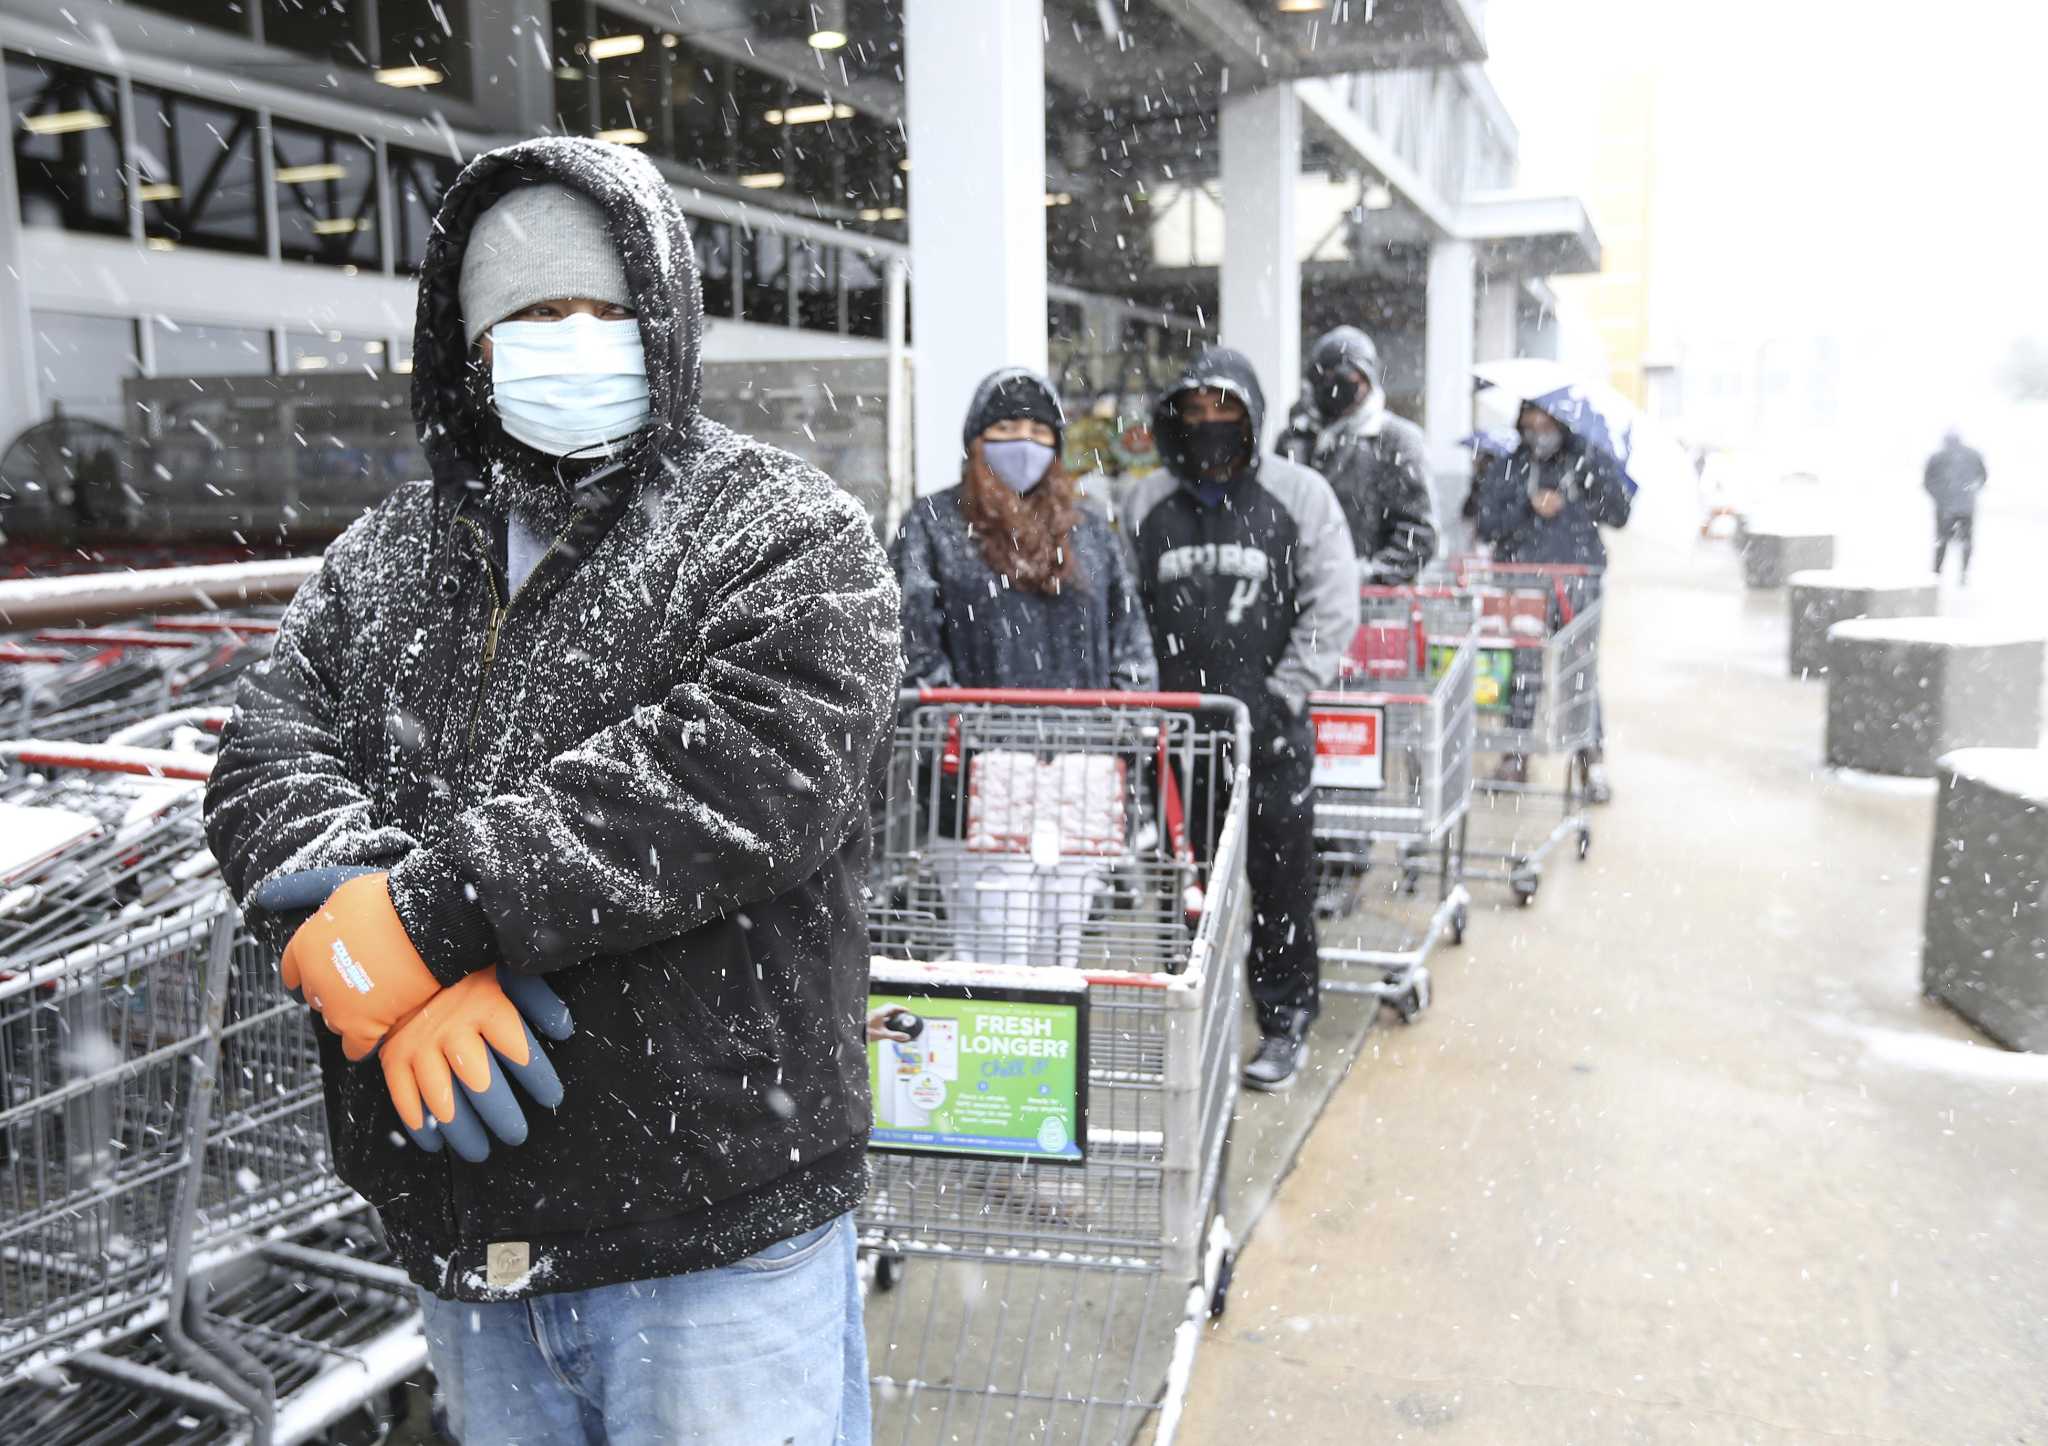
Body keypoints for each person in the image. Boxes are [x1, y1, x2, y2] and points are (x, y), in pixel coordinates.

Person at [203, 138, 898, 1446]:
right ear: (470, 345)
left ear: (665, 318)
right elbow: (266, 754)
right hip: (468, 1232)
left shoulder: (782, 533)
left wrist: (423, 919)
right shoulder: (387, 556)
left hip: (712, 1241)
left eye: (604, 309)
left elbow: (743, 771)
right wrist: (365, 919)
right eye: (530, 314)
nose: (572, 340)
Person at [1122, 346, 1360, 1092]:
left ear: (1251, 414)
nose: (1209, 423)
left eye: (1224, 409)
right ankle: (1191, 1015)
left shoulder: (1300, 494)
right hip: (1178, 734)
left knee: (1282, 881)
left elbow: (1333, 603)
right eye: (1194, 411)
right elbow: (1125, 606)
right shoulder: (1144, 501)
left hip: (1270, 733)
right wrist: (1142, 702)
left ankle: (1285, 1018)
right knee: (1187, 884)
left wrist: (1285, 693)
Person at [893, 368, 1158, 967]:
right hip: (978, 781)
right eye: (1006, 427)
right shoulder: (935, 525)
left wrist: (1117, 733)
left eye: (1039, 431)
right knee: (990, 955)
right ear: (975, 440)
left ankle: (1044, 1061)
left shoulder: (1088, 531)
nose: (1024, 443)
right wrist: (963, 734)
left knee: (1060, 951)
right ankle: (994, 1061)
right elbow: (913, 642)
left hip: (1078, 778)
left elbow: (1130, 639)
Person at [1474, 402, 1631, 803]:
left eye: (1546, 425)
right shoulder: (1509, 467)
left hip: (1578, 582)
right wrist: (1527, 507)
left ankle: (1590, 757)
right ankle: (1516, 753)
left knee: (1580, 671)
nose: (1538, 434)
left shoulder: (1588, 460)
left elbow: (1618, 512)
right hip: (1521, 582)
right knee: (1523, 670)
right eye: (1530, 426)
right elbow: (1487, 523)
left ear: (1561, 425)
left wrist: (1580, 491)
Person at [1302, 325, 1438, 581]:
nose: (1331, 384)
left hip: (1374, 605)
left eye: (1341, 375)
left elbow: (1420, 534)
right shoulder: (1304, 438)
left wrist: (1365, 574)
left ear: (1365, 379)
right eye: (1323, 376)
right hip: (1308, 594)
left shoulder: (1397, 440)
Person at [1924, 429, 1988, 584]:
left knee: (1942, 541)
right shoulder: (1973, 455)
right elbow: (1983, 476)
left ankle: (1937, 573)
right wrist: (1971, 492)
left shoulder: (1937, 457)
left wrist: (1939, 497)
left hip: (1945, 507)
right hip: (1966, 507)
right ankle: (1964, 573)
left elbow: (1927, 481)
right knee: (1966, 541)